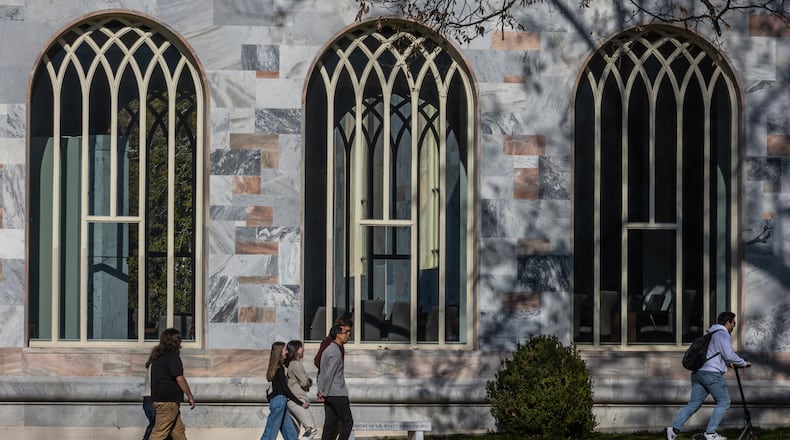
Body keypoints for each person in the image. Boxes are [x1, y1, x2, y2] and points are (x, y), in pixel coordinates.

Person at [666, 311, 750, 440]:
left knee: (694, 403)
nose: (734, 326)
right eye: (733, 323)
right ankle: (710, 433)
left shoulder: (712, 333)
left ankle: (673, 429)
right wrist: (743, 363)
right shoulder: (723, 334)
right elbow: (729, 354)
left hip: (698, 373)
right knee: (724, 402)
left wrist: (728, 364)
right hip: (711, 374)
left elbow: (716, 354)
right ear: (727, 323)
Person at [149, 328, 195, 440]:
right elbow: (179, 378)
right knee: (159, 433)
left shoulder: (158, 356)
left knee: (178, 431)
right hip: (168, 401)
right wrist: (190, 396)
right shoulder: (172, 356)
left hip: (162, 399)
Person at [260, 341, 309, 440]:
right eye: (285, 350)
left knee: (291, 434)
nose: (287, 352)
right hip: (280, 401)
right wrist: (300, 403)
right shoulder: (280, 369)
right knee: (270, 433)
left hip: (278, 402)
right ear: (279, 352)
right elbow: (285, 389)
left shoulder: (274, 368)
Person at [317, 324, 353, 440]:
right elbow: (328, 374)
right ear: (338, 335)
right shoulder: (335, 351)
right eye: (345, 333)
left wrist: (321, 391)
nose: (348, 335)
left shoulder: (328, 349)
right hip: (337, 393)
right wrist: (323, 393)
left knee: (330, 425)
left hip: (329, 393)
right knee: (347, 422)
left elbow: (322, 372)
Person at [285, 340, 318, 439]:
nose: (303, 349)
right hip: (298, 400)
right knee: (311, 429)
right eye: (301, 347)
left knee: (294, 433)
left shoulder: (291, 364)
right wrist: (308, 381)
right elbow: (304, 382)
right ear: (296, 350)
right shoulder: (296, 364)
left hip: (293, 401)